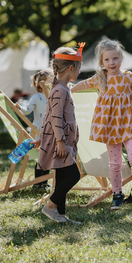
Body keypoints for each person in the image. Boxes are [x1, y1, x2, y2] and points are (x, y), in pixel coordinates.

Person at [70, 38, 132, 210]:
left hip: (129, 125)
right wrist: (68, 89)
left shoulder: (129, 77)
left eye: (115, 58)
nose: (111, 63)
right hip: (110, 126)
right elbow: (83, 84)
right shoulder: (101, 77)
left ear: (121, 58)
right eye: (107, 59)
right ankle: (117, 194)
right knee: (115, 163)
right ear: (102, 62)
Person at [33, 44, 84, 224]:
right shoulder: (60, 90)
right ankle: (50, 206)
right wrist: (60, 142)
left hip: (63, 141)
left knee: (62, 175)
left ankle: (60, 215)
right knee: (73, 175)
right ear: (70, 68)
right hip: (60, 142)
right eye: (78, 68)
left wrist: (42, 137)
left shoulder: (61, 88)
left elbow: (48, 115)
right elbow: (55, 117)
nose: (79, 71)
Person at [20, 69, 53, 190]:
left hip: (50, 129)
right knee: (41, 158)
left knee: (48, 157)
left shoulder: (53, 95)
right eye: (52, 79)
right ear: (44, 83)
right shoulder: (37, 97)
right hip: (39, 130)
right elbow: (27, 110)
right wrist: (19, 108)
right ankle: (38, 183)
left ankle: (44, 182)